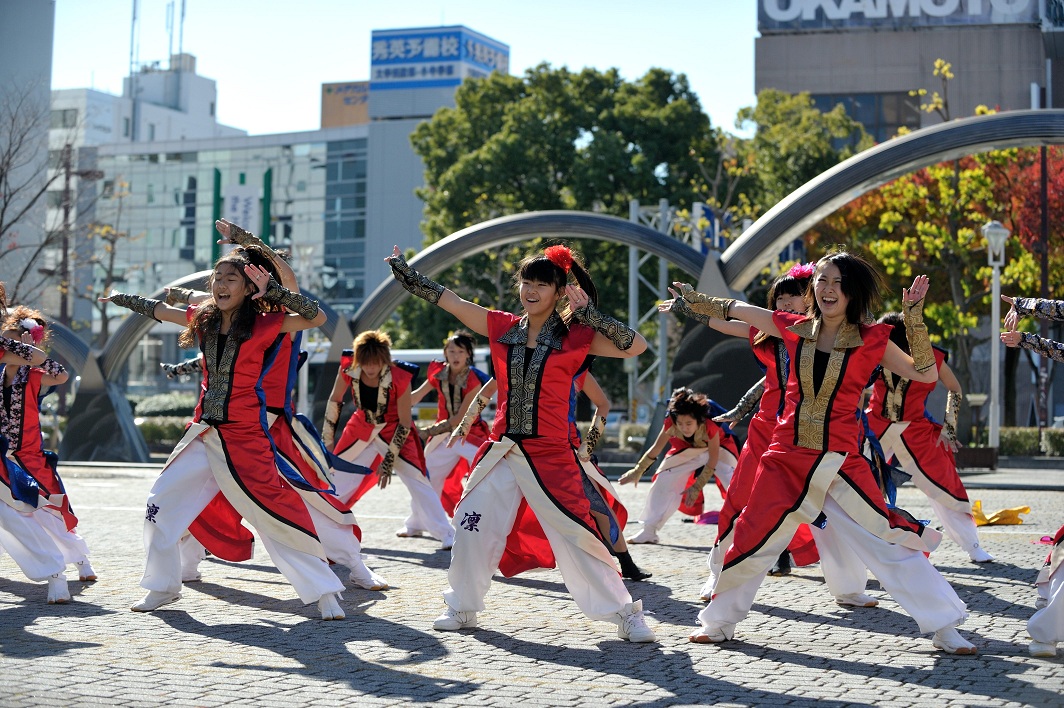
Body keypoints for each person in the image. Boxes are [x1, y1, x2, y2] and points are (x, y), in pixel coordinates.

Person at [664, 251, 978, 654]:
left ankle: (944, 625)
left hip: (840, 461)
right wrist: (698, 301)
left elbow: (926, 374)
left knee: (884, 537)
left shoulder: (872, 339)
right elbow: (741, 309)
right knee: (752, 535)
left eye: (837, 283)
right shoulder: (792, 327)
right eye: (822, 281)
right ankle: (720, 622)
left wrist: (914, 317)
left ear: (852, 292)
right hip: (784, 454)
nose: (828, 289)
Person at [386, 243, 656, 642]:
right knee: (471, 525)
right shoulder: (500, 326)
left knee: (577, 535)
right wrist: (411, 279)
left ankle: (624, 613)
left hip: (553, 454)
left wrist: (592, 316)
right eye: (525, 282)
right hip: (502, 449)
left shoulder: (578, 336)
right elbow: (456, 303)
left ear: (560, 290)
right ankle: (461, 606)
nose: (530, 290)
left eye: (541, 284)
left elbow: (636, 347)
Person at [103, 244, 348, 619]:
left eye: (230, 278)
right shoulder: (203, 318)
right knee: (160, 503)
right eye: (217, 277)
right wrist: (123, 299)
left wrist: (277, 291)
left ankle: (324, 590)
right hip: (202, 432)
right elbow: (163, 311)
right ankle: (162, 586)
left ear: (249, 287)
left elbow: (315, 318)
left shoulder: (267, 323)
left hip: (246, 434)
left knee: (272, 511)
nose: (220, 283)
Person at [167, 221, 388, 592]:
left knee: (303, 497)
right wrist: (171, 296)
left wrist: (254, 244)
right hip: (221, 423)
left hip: (267, 426)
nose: (228, 282)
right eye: (227, 276)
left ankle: (353, 563)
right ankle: (187, 561)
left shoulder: (277, 316)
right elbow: (198, 306)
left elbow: (295, 292)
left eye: (246, 272)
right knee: (200, 489)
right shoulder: (228, 314)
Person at [865, 311, 993, 563]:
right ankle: (860, 549)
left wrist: (949, 427)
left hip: (916, 428)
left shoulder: (930, 355)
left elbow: (955, 388)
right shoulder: (872, 351)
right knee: (858, 483)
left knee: (945, 485)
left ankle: (972, 545)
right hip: (875, 427)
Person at [324, 330, 455, 549]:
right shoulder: (349, 367)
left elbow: (405, 422)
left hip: (395, 430)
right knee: (339, 479)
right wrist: (327, 440)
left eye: (376, 363)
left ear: (384, 359)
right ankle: (323, 528)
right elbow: (334, 400)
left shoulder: (400, 376)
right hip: (360, 428)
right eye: (366, 363)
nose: (371, 368)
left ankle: (446, 532)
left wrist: (387, 462)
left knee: (418, 481)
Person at [1, 308, 96, 584]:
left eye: (20, 341)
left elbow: (62, 374)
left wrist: (30, 351)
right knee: (13, 511)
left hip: (30, 456)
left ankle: (81, 559)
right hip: (3, 458)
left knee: (52, 509)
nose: (13, 346)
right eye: (10, 339)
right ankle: (50, 567)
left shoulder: (36, 375)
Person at [618, 387, 735, 545]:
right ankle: (649, 530)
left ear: (698, 420)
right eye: (680, 423)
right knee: (663, 479)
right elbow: (656, 448)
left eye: (689, 423)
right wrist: (638, 470)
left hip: (721, 449)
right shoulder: (670, 423)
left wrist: (697, 486)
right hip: (688, 449)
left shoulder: (709, 424)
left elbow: (712, 459)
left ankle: (748, 530)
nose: (684, 427)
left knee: (734, 483)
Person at [409, 330, 491, 516]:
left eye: (461, 352)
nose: (456, 356)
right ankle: (418, 521)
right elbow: (415, 397)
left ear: (468, 354)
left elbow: (461, 418)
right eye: (452, 351)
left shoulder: (474, 380)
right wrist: (397, 398)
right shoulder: (438, 373)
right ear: (445, 352)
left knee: (486, 473)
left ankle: (484, 519)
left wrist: (427, 431)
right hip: (444, 438)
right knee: (426, 477)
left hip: (469, 435)